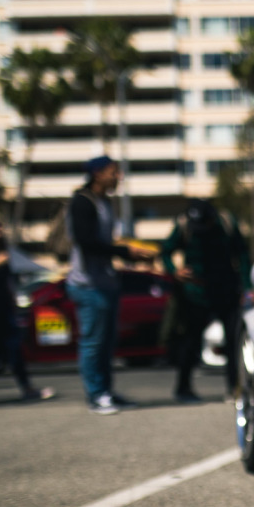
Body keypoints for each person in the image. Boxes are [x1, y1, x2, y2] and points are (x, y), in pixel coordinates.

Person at [65, 155, 153, 415]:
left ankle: (106, 391)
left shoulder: (105, 202)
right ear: (98, 174)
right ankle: (96, 395)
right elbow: (87, 243)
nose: (119, 177)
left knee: (106, 343)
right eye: (114, 172)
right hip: (87, 284)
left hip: (105, 282)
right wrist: (126, 252)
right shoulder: (82, 202)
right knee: (93, 342)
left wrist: (124, 254)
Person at [160, 198, 251, 403]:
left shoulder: (227, 224)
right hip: (196, 293)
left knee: (233, 342)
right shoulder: (185, 226)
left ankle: (234, 389)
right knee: (189, 342)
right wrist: (175, 271)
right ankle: (184, 389)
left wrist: (247, 287)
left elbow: (243, 254)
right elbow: (166, 251)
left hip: (226, 290)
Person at [0, 213, 55, 402]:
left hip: (3, 304)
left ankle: (27, 387)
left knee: (14, 345)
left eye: (0, 225)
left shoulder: (2, 248)